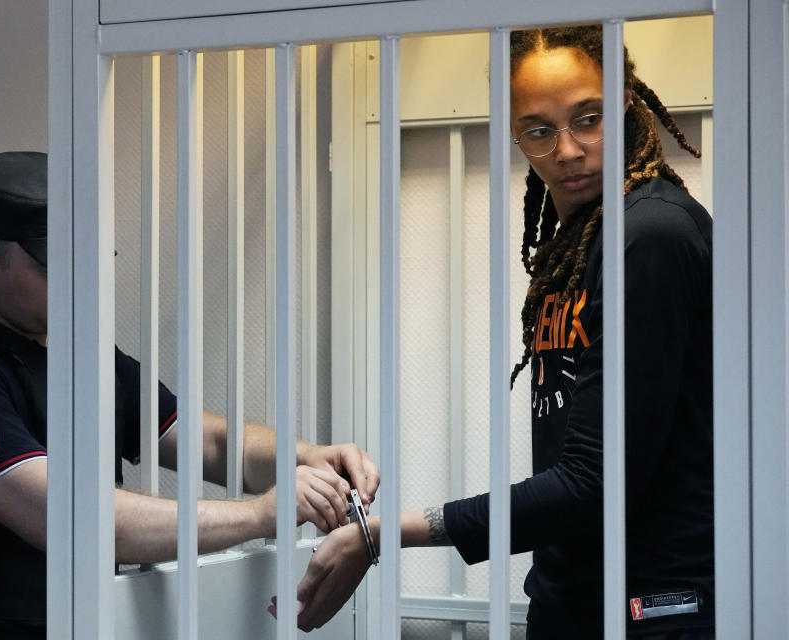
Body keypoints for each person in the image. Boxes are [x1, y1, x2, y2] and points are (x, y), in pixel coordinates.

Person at [293, 25, 713, 639]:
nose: (567, 150)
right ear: (515, 134)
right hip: (576, 599)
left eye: (588, 117)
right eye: (538, 130)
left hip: (654, 611)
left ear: (625, 98)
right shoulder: (585, 238)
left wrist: (378, 533)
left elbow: (593, 482)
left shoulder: (649, 234)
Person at [0, 151, 379, 639]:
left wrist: (309, 458)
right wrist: (261, 515)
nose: (80, 280)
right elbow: (66, 518)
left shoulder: (79, 352)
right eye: (54, 265)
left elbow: (209, 442)